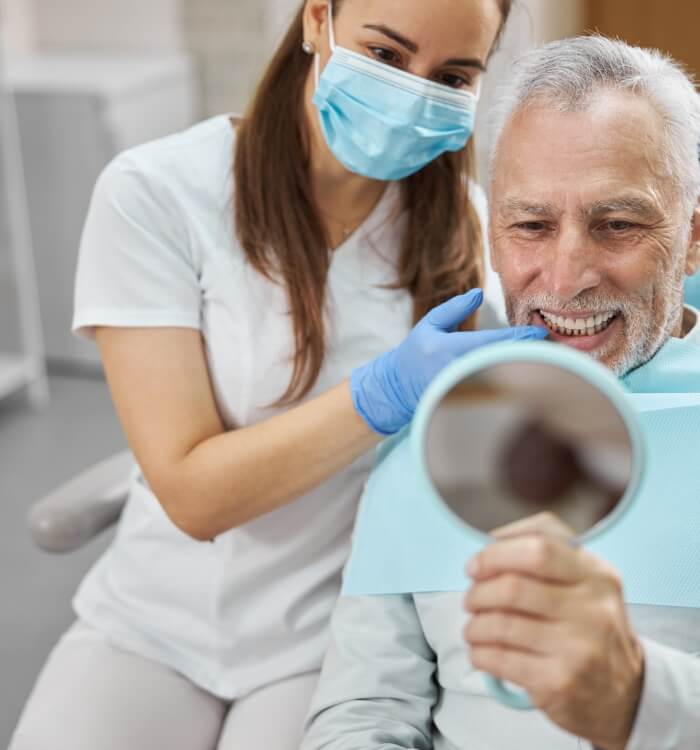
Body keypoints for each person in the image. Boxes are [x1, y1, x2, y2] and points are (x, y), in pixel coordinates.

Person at [10, 1, 549, 749]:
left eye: (452, 76)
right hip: (151, 622)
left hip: (329, 635)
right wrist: (383, 393)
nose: (413, 93)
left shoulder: (468, 229)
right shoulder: (158, 194)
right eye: (387, 56)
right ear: (316, 20)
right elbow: (193, 496)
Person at [301, 36, 700, 750]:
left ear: (694, 237)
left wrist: (640, 699)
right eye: (531, 226)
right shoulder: (429, 439)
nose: (566, 275)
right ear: (493, 236)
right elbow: (364, 710)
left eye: (618, 225)